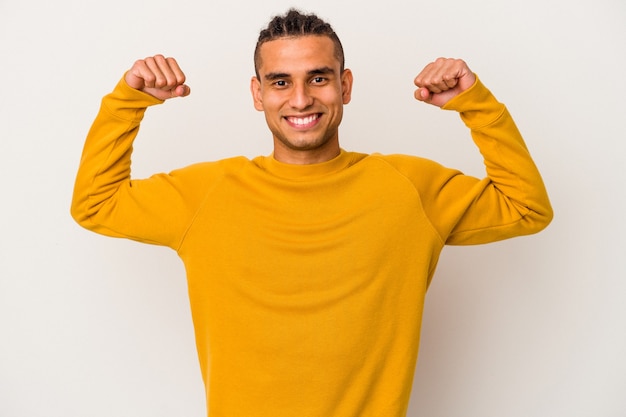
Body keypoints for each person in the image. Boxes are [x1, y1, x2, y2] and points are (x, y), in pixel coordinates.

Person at [71, 8, 552, 417]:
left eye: (317, 78)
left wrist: (476, 105)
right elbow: (95, 203)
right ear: (258, 94)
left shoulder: (410, 189)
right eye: (281, 82)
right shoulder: (207, 194)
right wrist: (126, 103)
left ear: (344, 85)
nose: (300, 99)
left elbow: (527, 206)